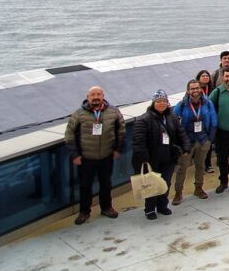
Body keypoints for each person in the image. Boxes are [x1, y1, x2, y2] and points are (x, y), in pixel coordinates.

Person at [65, 86, 125, 224]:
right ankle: (84, 212)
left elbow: (121, 131)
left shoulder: (114, 111)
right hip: (86, 158)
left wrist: (118, 149)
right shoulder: (79, 114)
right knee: (85, 186)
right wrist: (75, 155)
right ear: (88, 97)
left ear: (103, 96)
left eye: (98, 94)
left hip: (106, 156)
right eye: (93, 95)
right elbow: (69, 134)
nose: (96, 97)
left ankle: (107, 208)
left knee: (106, 184)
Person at [132, 91, 190, 220]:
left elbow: (181, 133)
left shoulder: (171, 117)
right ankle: (150, 208)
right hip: (152, 159)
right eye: (159, 101)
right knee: (152, 184)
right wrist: (144, 158)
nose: (162, 103)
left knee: (165, 183)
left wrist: (186, 147)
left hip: (168, 157)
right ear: (153, 103)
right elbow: (138, 141)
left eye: (164, 101)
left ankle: (162, 205)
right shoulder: (144, 119)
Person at [172, 79, 217, 204]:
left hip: (203, 140)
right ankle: (178, 192)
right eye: (192, 89)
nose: (195, 90)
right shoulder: (181, 105)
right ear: (188, 91)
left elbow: (214, 120)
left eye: (197, 88)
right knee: (182, 168)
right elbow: (174, 124)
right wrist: (180, 142)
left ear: (200, 89)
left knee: (200, 166)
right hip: (187, 142)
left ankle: (198, 188)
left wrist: (210, 139)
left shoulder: (207, 103)